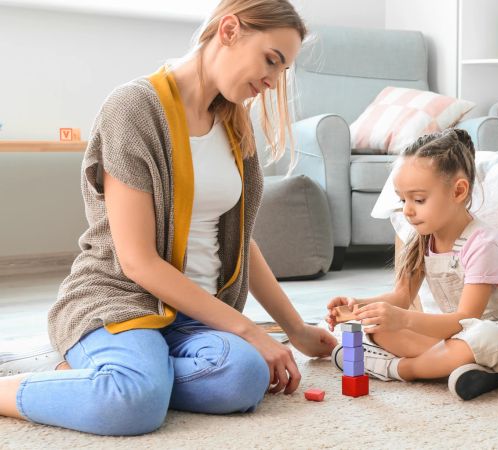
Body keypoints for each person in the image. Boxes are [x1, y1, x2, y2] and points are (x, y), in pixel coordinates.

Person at [0, 0, 336, 436]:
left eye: (282, 70)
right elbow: (138, 261)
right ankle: (109, 380)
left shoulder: (234, 125)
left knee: (244, 377)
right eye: (271, 60)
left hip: (197, 315)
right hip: (121, 300)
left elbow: (239, 244)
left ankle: (116, 375)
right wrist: (250, 332)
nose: (272, 82)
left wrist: (296, 329)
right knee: (135, 407)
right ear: (230, 30)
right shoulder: (134, 109)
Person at [326, 129, 498, 401]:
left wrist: (404, 318)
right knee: (379, 328)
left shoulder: (483, 244)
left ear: (458, 191)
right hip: (456, 337)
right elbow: (401, 297)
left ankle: (400, 368)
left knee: (480, 339)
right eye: (403, 199)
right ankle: (469, 371)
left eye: (418, 199)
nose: (408, 210)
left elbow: (465, 320)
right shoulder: (422, 238)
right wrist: (359, 307)